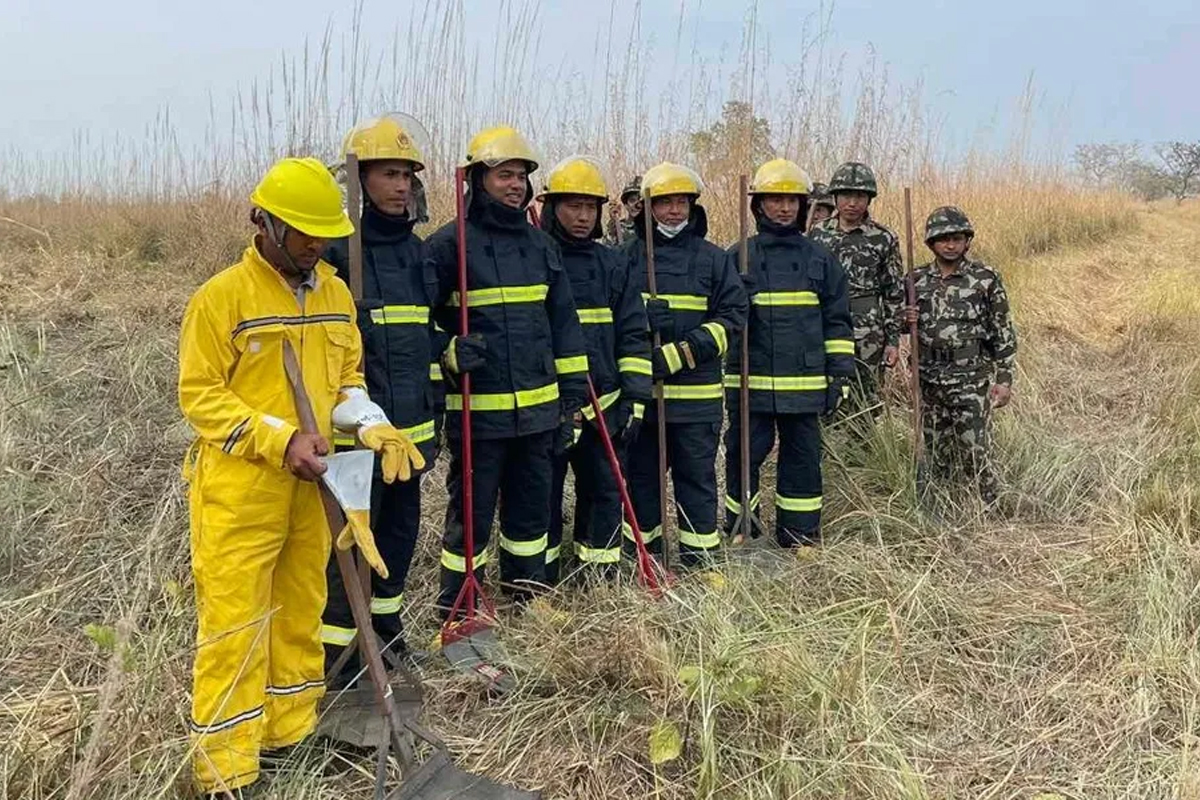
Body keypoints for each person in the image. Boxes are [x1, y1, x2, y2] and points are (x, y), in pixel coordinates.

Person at [179, 157, 423, 794]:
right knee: (237, 624)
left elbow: (345, 381)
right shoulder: (222, 298)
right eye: (306, 237)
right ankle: (228, 771)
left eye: (324, 238)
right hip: (241, 493)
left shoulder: (336, 293)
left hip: (313, 486)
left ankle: (287, 736)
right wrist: (278, 439)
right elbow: (201, 395)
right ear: (266, 224)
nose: (317, 248)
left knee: (300, 613)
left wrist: (370, 423)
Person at [426, 126, 589, 612]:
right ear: (477, 179)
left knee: (531, 512)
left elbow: (563, 324)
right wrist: (447, 351)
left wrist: (572, 396)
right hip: (479, 415)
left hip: (539, 413)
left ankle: (527, 594)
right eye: (504, 175)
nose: (516, 185)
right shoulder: (446, 246)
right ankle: (459, 604)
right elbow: (419, 326)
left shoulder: (541, 247)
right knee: (471, 516)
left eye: (521, 176)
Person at [319, 114, 439, 682]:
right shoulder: (336, 254)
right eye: (388, 173)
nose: (400, 186)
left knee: (397, 539)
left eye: (407, 175)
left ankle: (387, 637)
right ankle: (339, 659)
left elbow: (426, 337)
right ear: (357, 179)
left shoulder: (422, 256)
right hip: (353, 437)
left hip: (408, 435)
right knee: (346, 546)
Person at [723, 159, 854, 546]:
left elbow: (837, 322)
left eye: (791, 200)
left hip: (805, 382)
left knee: (802, 460)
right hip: (751, 383)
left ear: (803, 205)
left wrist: (840, 373)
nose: (783, 207)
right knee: (743, 456)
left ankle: (800, 536)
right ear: (758, 205)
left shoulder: (820, 259)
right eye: (774, 199)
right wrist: (735, 303)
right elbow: (719, 323)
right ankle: (742, 529)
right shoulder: (737, 258)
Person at [623, 162, 747, 566]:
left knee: (697, 481)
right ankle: (646, 560)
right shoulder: (625, 259)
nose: (675, 211)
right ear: (646, 208)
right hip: (644, 400)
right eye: (665, 203)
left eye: (682, 203)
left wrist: (675, 355)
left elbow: (732, 318)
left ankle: (701, 562)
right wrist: (643, 325)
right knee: (642, 483)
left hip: (696, 400)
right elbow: (607, 319)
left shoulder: (713, 260)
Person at [539, 156, 652, 581]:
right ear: (552, 208)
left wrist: (635, 399)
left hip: (606, 403)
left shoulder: (612, 265)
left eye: (591, 207)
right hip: (550, 404)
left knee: (605, 492)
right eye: (573, 206)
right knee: (542, 497)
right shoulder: (538, 260)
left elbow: (632, 333)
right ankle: (541, 583)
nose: (584, 216)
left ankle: (598, 579)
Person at [903, 206, 1016, 504]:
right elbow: (900, 327)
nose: (950, 245)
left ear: (967, 241)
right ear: (931, 244)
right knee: (937, 449)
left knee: (974, 449)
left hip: (970, 378)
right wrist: (906, 317)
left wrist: (1004, 380)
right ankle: (945, 506)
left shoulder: (985, 279)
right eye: (943, 239)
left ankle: (989, 508)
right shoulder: (915, 281)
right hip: (930, 378)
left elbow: (1003, 332)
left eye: (956, 238)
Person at [808, 161, 904, 422]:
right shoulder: (817, 234)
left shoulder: (883, 238)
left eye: (859, 196)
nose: (852, 203)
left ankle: (863, 455)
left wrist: (893, 341)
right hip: (824, 324)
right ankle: (825, 457)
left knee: (865, 397)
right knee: (823, 392)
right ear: (835, 197)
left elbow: (894, 292)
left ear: (869, 199)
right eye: (846, 195)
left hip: (867, 331)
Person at [604, 175, 642, 246]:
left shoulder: (655, 230)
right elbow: (606, 251)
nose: (637, 205)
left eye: (641, 200)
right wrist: (613, 223)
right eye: (632, 200)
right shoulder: (618, 228)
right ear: (626, 205)